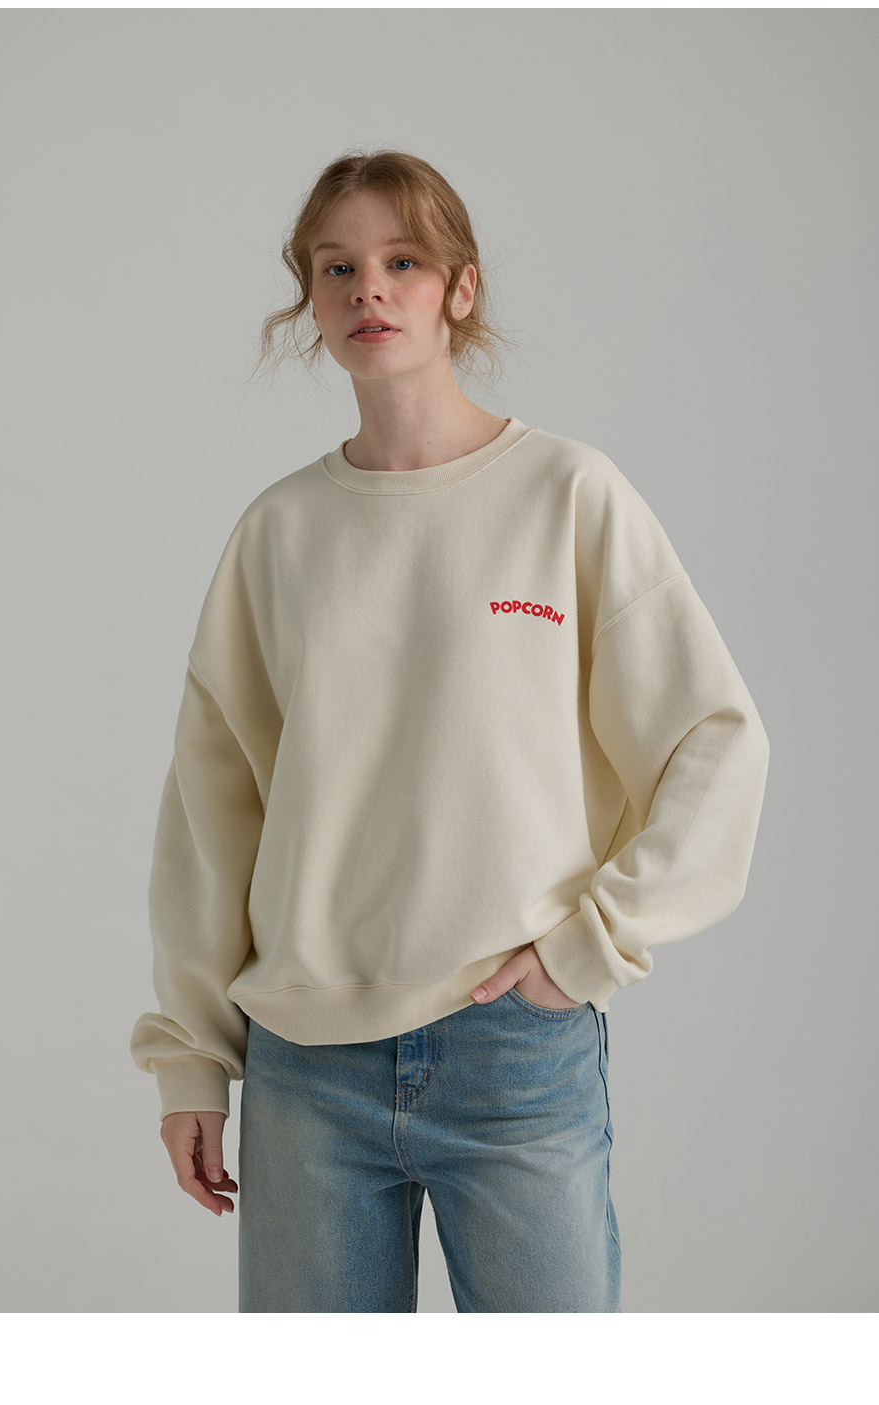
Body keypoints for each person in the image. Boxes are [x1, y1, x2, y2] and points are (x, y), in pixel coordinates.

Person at [130, 147, 770, 1312]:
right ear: (311, 298)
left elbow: (715, 739)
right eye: (338, 267)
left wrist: (589, 947)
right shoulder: (280, 533)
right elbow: (213, 815)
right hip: (306, 1064)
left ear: (459, 290)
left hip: (513, 1048)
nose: (369, 289)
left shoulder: (569, 494)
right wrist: (190, 1061)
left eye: (403, 262)